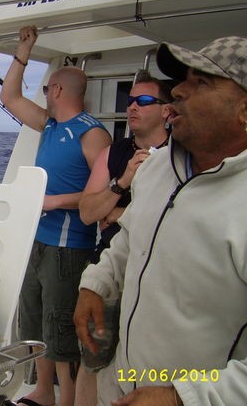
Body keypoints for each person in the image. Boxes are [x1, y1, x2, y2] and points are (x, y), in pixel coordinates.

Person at [74, 35, 247, 406]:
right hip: (122, 383)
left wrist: (182, 397)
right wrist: (95, 284)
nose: (179, 91)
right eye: (183, 80)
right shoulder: (156, 167)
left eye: (202, 82)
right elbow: (129, 238)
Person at [0, 25, 112, 406]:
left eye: (47, 89)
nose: (45, 94)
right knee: (34, 319)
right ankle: (44, 390)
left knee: (60, 323)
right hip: (37, 240)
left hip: (68, 247)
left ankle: (67, 398)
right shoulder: (49, 125)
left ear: (59, 90)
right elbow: (9, 96)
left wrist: (53, 201)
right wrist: (24, 49)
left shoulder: (92, 134)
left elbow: (103, 194)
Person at [75, 74, 172, 405]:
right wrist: (123, 181)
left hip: (155, 276)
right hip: (108, 269)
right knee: (92, 360)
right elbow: (87, 213)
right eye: (130, 101)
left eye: (143, 101)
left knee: (148, 365)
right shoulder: (113, 154)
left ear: (166, 110)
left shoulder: (180, 157)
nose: (132, 107)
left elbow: (175, 214)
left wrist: (117, 213)